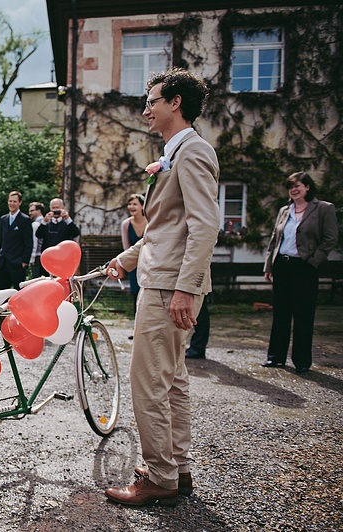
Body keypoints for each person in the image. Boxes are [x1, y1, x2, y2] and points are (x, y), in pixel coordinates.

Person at [105, 68, 220, 506]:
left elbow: (204, 226)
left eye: (152, 100)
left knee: (147, 381)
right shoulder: (175, 153)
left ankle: (160, 477)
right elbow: (164, 231)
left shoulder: (192, 151)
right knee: (171, 380)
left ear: (175, 102)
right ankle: (178, 468)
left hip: (169, 286)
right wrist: (122, 260)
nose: (146, 108)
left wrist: (187, 289)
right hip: (162, 277)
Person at [262, 171, 338, 373]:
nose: (293, 189)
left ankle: (302, 361)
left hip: (304, 267)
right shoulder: (284, 211)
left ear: (308, 187)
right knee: (281, 313)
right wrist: (269, 266)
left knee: (303, 315)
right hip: (282, 266)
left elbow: (330, 238)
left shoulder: (323, 209)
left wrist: (313, 261)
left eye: (297, 185)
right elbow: (274, 240)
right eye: (290, 186)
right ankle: (276, 357)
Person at [0, 191, 32, 290]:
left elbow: (29, 243)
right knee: (1, 292)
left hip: (17, 263)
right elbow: (2, 240)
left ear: (19, 203)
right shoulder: (3, 219)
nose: (12, 204)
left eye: (14, 201)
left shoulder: (25, 220)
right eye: (10, 201)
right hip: (3, 262)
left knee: (18, 292)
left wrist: (24, 260)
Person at [35, 198, 81, 276]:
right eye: (53, 208)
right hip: (49, 259)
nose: (55, 210)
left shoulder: (66, 224)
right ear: (50, 209)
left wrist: (67, 218)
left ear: (62, 208)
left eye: (57, 208)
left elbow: (75, 233)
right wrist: (44, 221)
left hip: (63, 259)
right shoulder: (47, 223)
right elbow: (38, 234)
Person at [120, 194, 148, 311]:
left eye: (135, 204)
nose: (131, 207)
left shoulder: (150, 222)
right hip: (134, 262)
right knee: (135, 290)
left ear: (142, 206)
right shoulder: (126, 224)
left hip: (149, 262)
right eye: (130, 204)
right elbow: (126, 246)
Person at [28, 202, 45, 278]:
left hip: (38, 256)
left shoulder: (35, 224)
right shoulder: (46, 222)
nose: (29, 213)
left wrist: (32, 258)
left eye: (32, 211)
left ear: (39, 211)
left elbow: (34, 242)